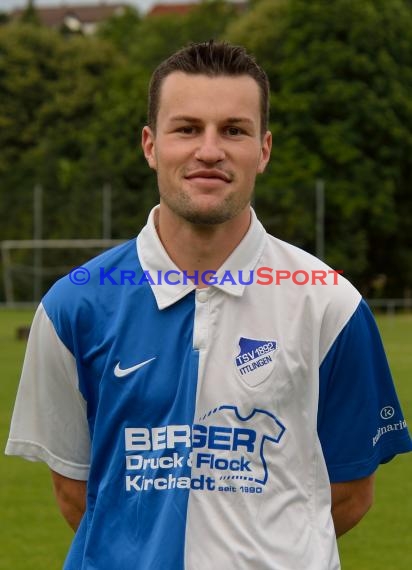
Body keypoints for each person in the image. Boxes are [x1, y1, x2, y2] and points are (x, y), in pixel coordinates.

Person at [6, 40, 412, 570]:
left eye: (234, 130)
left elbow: (349, 493)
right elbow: (76, 493)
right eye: (187, 128)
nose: (210, 150)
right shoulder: (72, 306)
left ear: (263, 150)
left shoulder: (330, 303)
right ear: (151, 145)